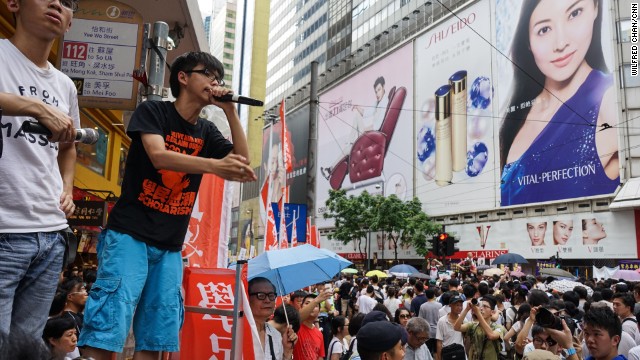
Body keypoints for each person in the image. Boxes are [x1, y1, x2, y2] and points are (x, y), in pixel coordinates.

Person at [78, 51, 256, 359]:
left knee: (157, 335)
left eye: (219, 78)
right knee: (109, 322)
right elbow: (158, 155)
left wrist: (229, 111)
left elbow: (242, 160)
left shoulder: (207, 131)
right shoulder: (154, 112)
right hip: (129, 235)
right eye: (208, 75)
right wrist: (213, 166)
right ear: (183, 78)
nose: (215, 82)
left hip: (171, 246)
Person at [0, 0, 79, 339]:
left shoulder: (65, 85)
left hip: (50, 232)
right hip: (4, 227)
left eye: (67, 2)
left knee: (27, 344)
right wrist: (34, 107)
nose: (57, 4)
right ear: (13, 3)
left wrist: (68, 188)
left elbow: (69, 145)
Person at [499, 0, 618, 206]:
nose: (561, 43)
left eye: (574, 14)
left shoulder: (609, 100)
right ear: (528, 41)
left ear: (596, 8)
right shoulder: (515, 114)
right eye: (544, 29)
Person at [247, 278, 297, 360]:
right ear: (247, 298)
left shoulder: (275, 335)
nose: (267, 300)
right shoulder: (236, 333)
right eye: (261, 296)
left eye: (271, 296)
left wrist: (287, 351)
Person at [454, 295, 506, 360]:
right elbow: (456, 327)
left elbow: (491, 335)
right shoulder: (473, 325)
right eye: (481, 306)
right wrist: (466, 309)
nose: (481, 308)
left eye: (485, 306)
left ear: (492, 312)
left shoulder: (498, 327)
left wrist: (478, 314)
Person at [293, 294, 326, 360]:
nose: (312, 307)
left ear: (319, 312)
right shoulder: (295, 326)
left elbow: (320, 357)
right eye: (307, 303)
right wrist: (316, 301)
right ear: (301, 307)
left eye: (315, 305)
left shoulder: (319, 334)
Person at [436, 295, 466, 360]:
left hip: (460, 353)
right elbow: (439, 342)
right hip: (447, 354)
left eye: (461, 305)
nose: (459, 307)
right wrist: (439, 358)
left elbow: (466, 339)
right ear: (450, 305)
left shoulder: (464, 320)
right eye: (457, 305)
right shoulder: (442, 321)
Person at [418, 288, 442, 354]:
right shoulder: (439, 305)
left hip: (427, 332)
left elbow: (420, 320)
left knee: (427, 352)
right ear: (434, 295)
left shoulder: (423, 306)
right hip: (438, 331)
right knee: (437, 352)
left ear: (426, 295)